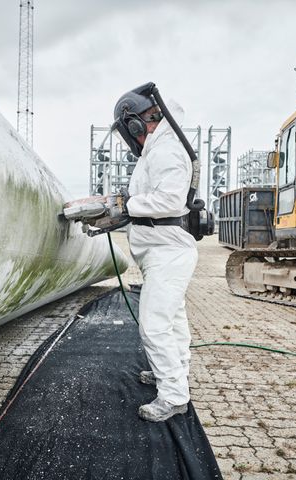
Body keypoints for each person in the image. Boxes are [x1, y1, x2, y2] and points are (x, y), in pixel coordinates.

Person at [113, 86, 199, 422]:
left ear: (136, 125)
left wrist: (127, 206)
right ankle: (174, 375)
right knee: (173, 319)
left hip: (168, 253)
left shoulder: (165, 150)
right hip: (162, 252)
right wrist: (128, 204)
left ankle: (174, 396)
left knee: (154, 325)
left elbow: (169, 201)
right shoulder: (159, 149)